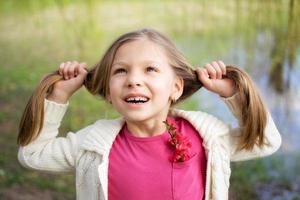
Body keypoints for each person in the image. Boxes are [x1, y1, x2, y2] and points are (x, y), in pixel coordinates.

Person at [17, 28, 281, 200]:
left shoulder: (208, 137)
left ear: (176, 87)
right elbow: (33, 154)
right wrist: (59, 95)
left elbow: (266, 141)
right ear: (108, 92)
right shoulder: (93, 144)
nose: (133, 80)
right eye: (120, 71)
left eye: (150, 69)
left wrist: (233, 94)